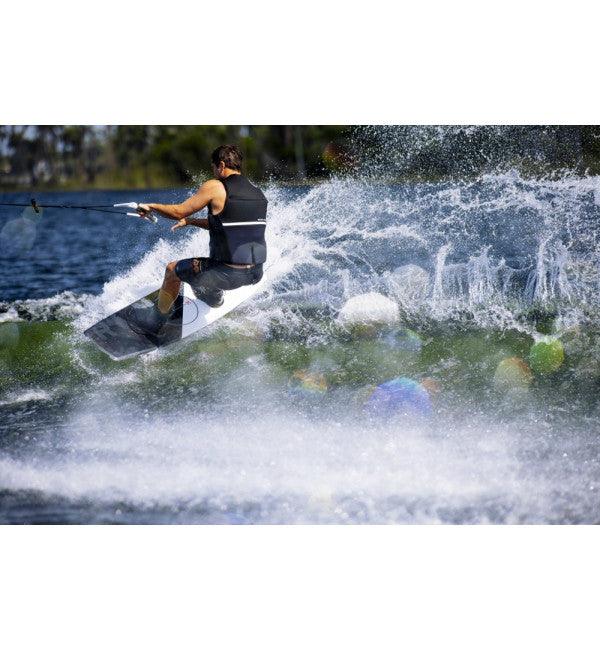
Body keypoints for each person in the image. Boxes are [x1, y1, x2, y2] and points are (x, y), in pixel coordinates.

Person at [126, 144, 267, 335]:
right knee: (201, 275)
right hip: (255, 273)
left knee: (172, 270)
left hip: (226, 274)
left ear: (221, 165)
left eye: (213, 168)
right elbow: (229, 224)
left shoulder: (215, 186)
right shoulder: (257, 192)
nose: (214, 173)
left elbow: (178, 211)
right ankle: (214, 297)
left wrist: (151, 206)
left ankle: (155, 323)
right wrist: (192, 221)